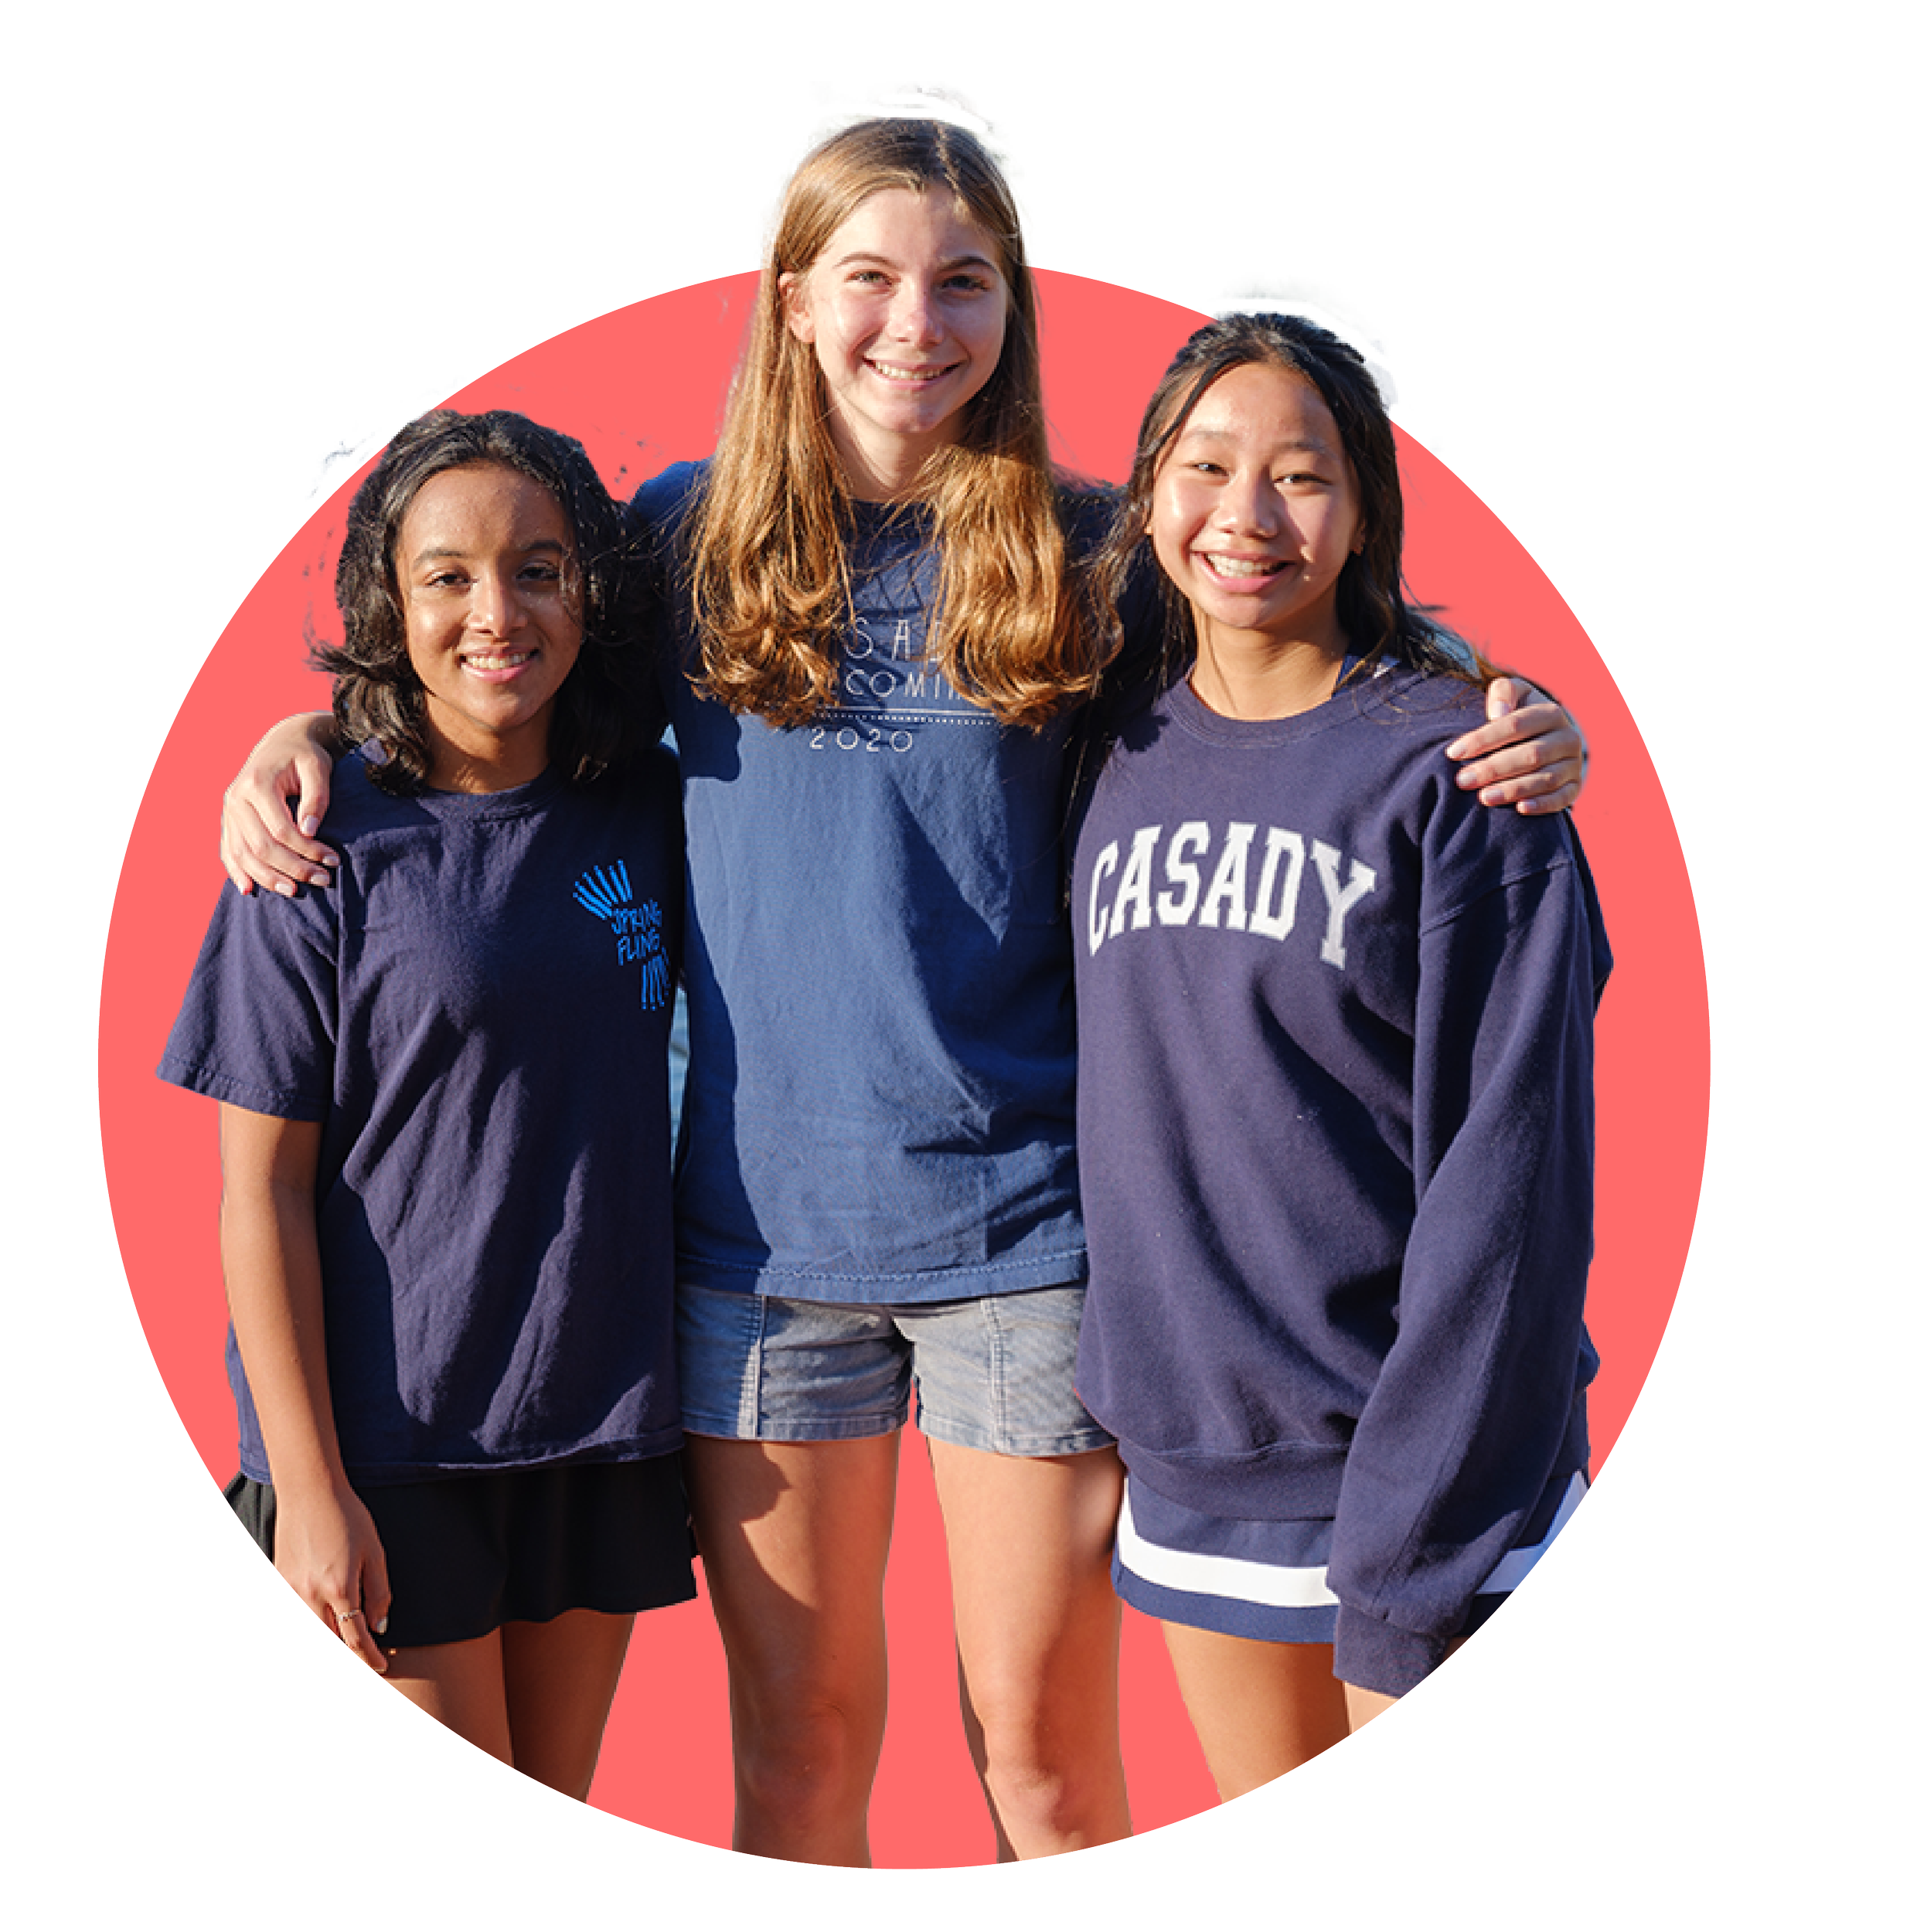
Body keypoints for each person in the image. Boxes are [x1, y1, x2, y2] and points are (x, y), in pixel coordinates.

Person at [215, 120, 1589, 1863]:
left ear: (1012, 309)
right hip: (754, 1257)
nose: (914, 325)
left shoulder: (1089, 551)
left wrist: (1498, 696)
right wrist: (307, 732)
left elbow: (1287, 642)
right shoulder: (679, 540)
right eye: (867, 277)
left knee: (1039, 1760)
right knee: (798, 1755)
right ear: (793, 299)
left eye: (963, 282)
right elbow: (493, 657)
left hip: (1027, 1241)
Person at [1071, 310, 1606, 1804]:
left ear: (1366, 507)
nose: (1245, 515)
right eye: (1204, 466)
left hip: (1428, 1476)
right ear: (1148, 493)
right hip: (1202, 1471)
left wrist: (1414, 1544)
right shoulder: (1109, 747)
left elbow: (1514, 1186)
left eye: (1301, 476)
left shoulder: (1464, 777)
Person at [163, 410, 692, 1803]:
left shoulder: (649, 801)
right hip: (391, 1447)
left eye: (538, 569)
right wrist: (311, 1489)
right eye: (446, 577)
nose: (497, 612)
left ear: (589, 591)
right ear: (388, 608)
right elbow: (259, 1192)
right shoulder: (312, 847)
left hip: (599, 1417)